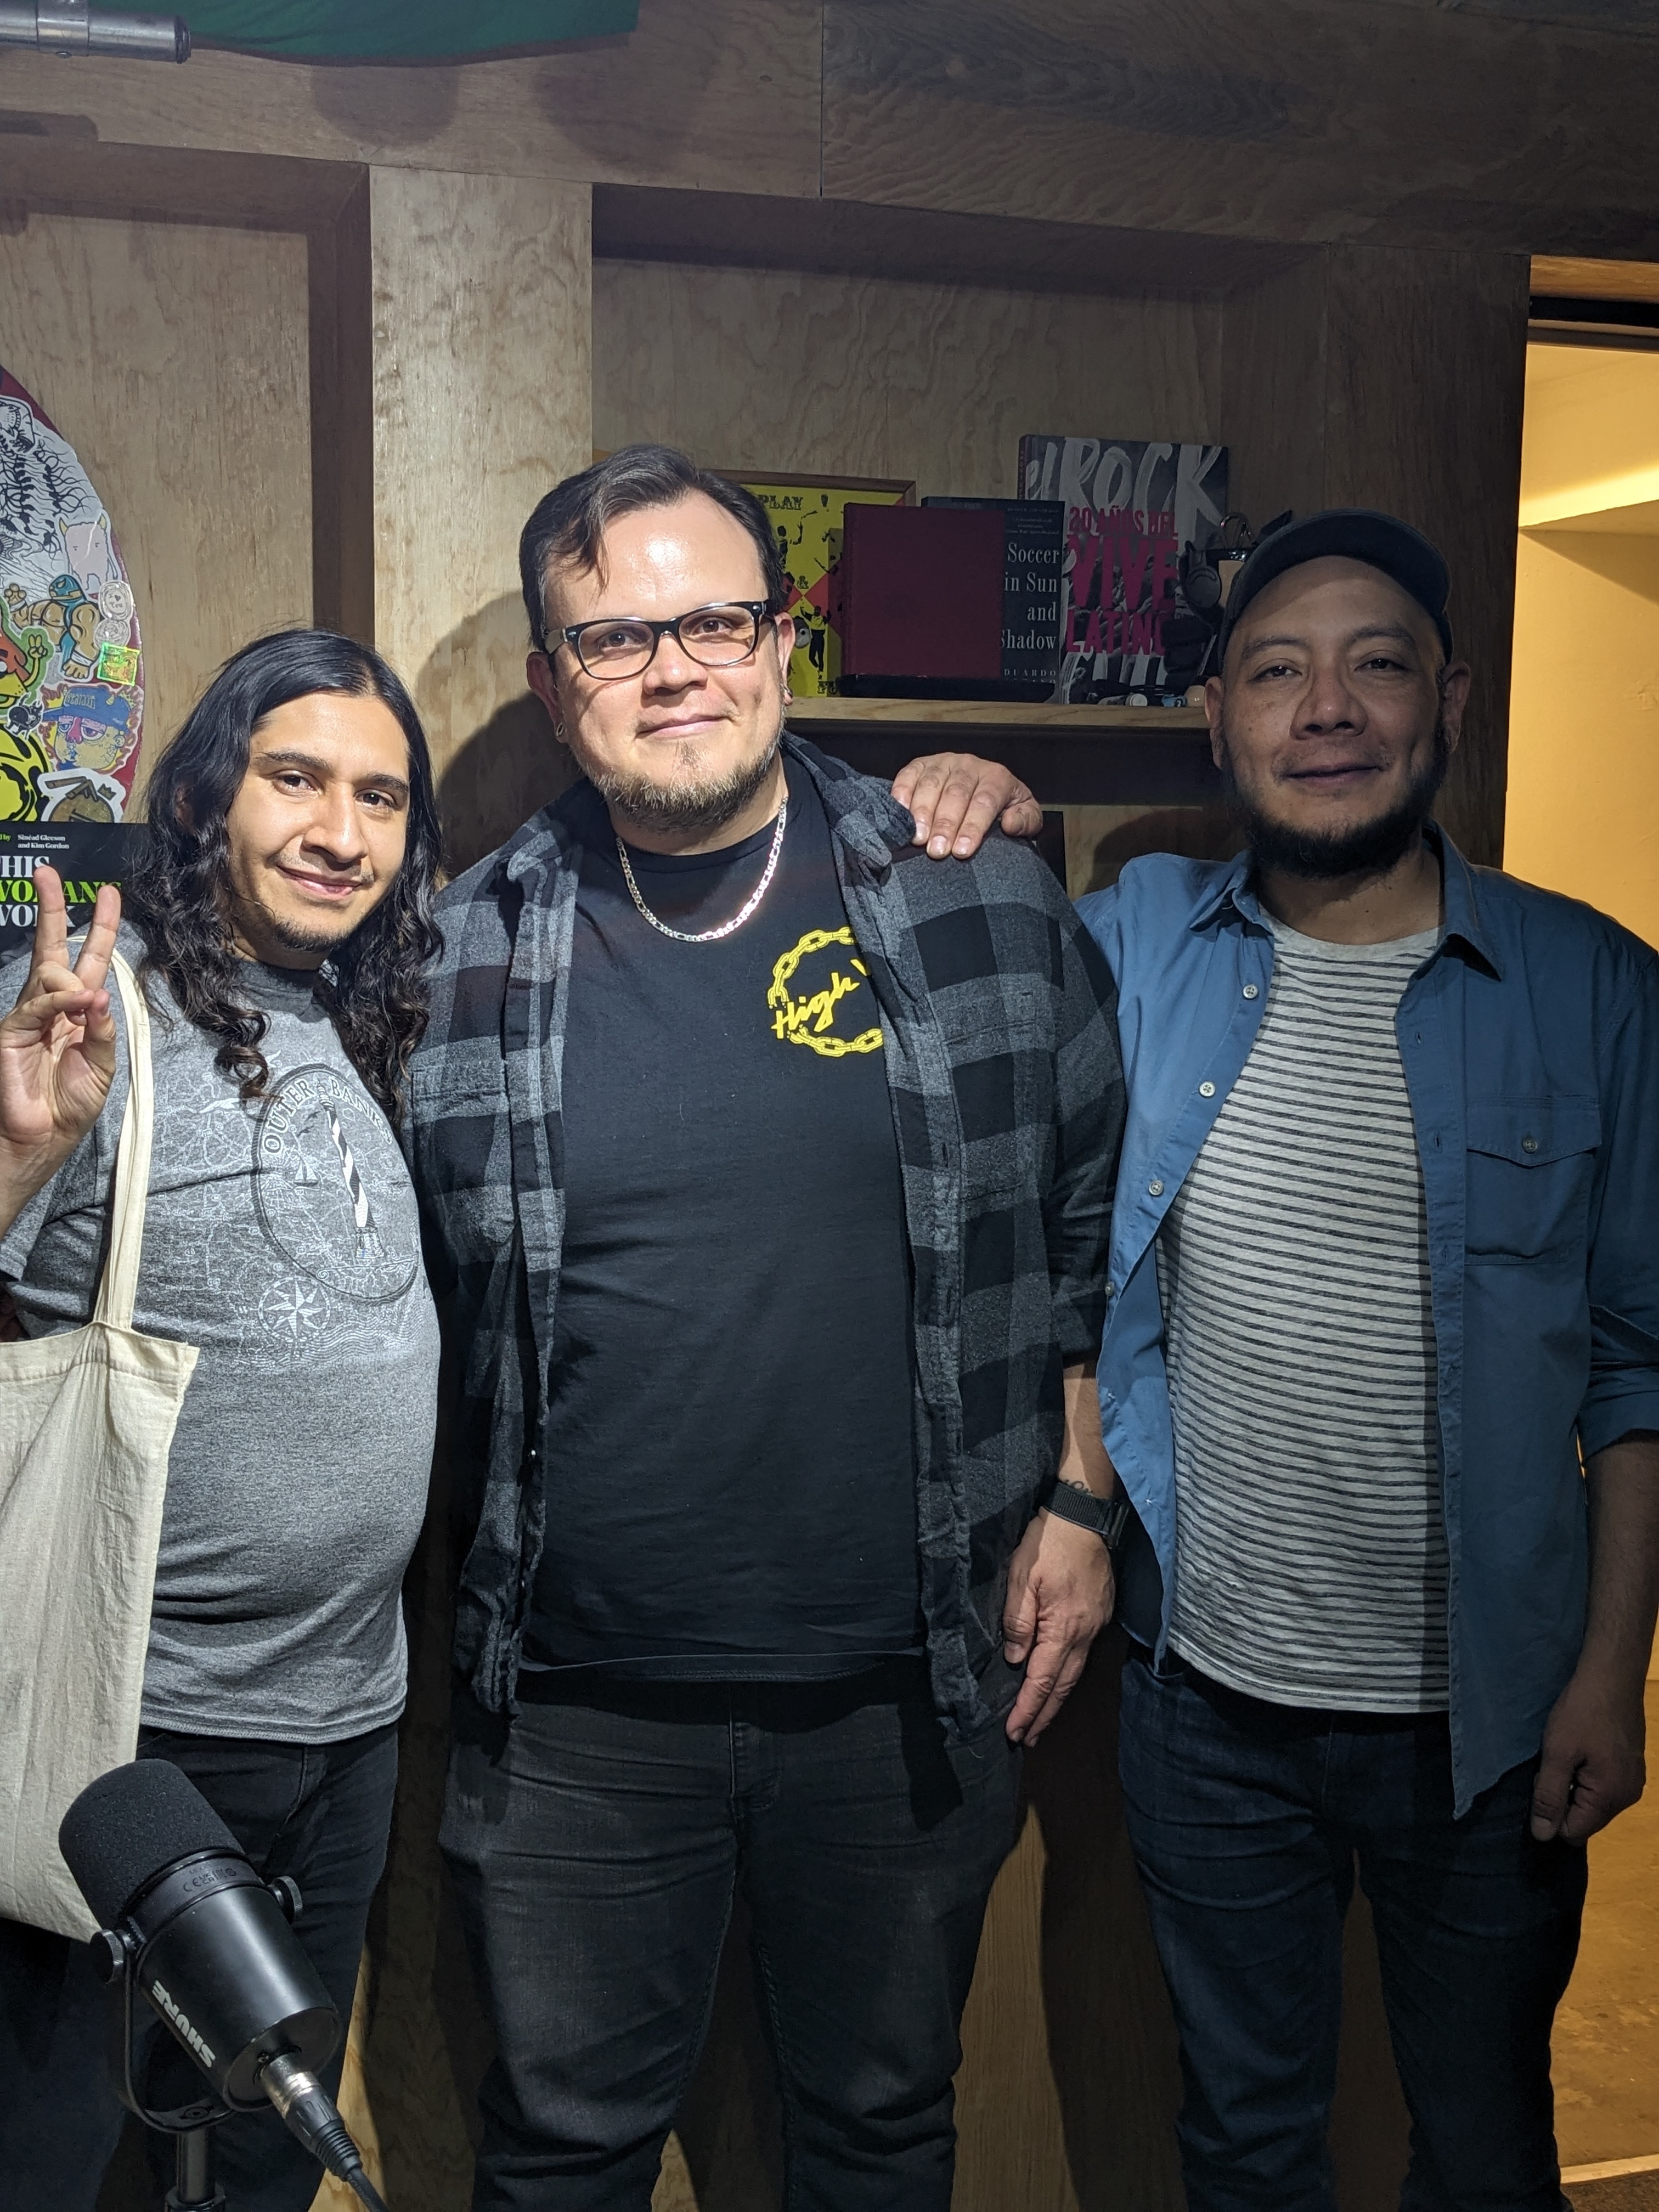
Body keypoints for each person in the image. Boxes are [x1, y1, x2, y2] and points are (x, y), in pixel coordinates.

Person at [409, 442, 1126, 2211]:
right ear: (551, 683)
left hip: (906, 1684)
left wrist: (1083, 1492)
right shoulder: (457, 953)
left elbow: (1088, 1229)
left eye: (715, 622)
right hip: (571, 1707)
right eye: (614, 639)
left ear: (782, 641)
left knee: (879, 2134)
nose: (674, 670)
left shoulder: (974, 892)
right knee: (561, 2156)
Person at [1077, 511, 1659, 2212]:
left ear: (1448, 703)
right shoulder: (1135, 943)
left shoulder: (1595, 986)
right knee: (1244, 2145)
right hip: (1206, 1697)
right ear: (1218, 718)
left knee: (1484, 2151)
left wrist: (1613, 1670)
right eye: (1278, 672)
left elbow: (1639, 1366)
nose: (1326, 709)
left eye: (1376, 666)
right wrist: (957, 788)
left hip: (1492, 1723)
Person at [0, 629, 447, 2212]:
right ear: (201, 799)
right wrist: (17, 1155)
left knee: (263, 2162)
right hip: (127, 1734)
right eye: (296, 780)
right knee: (52, 2159)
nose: (341, 832)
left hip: (350, 1723)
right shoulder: (89, 1012)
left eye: (381, 797)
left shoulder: (378, 1011)